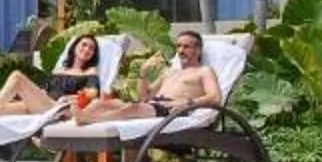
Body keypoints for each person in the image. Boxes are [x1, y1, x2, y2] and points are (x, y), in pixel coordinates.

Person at [67, 29, 221, 125]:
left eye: (186, 46)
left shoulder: (204, 71)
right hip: (153, 105)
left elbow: (215, 97)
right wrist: (143, 73)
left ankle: (91, 120)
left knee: (133, 108)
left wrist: (189, 102)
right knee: (104, 103)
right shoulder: (170, 72)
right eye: (178, 46)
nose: (180, 50)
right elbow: (145, 97)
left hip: (172, 110)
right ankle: (83, 118)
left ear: (198, 50)